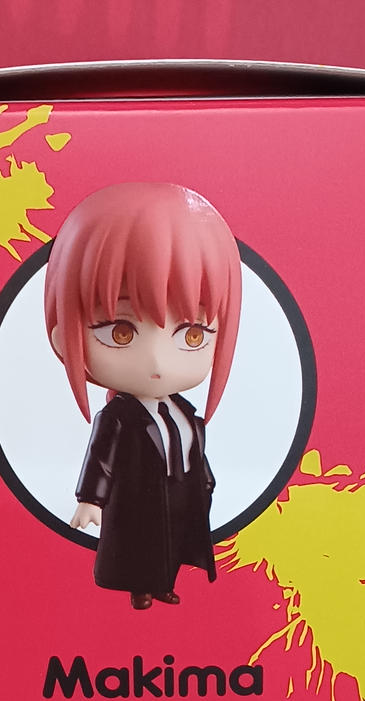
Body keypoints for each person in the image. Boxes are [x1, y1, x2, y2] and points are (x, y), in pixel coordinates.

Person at [44, 183, 242, 609]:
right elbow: (101, 457)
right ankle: (141, 588)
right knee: (141, 545)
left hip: (179, 492)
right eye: (121, 331)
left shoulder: (184, 411)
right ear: (64, 337)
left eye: (192, 334)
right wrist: (91, 499)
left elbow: (191, 447)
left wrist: (206, 481)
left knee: (171, 542)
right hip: (137, 500)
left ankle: (165, 583)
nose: (157, 359)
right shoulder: (118, 417)